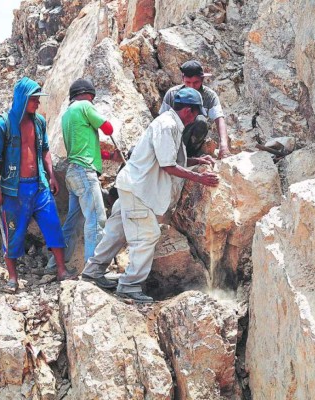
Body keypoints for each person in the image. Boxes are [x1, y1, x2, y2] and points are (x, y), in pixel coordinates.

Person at [81, 87, 220, 303]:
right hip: (139, 189)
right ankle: (129, 285)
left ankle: (93, 271)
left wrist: (196, 161)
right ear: (188, 111)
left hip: (133, 186)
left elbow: (167, 158)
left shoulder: (170, 123)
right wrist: (200, 178)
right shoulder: (167, 125)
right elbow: (167, 165)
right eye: (195, 113)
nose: (195, 118)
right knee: (146, 235)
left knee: (118, 232)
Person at [0, 76, 74, 293]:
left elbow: (44, 150)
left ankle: (62, 270)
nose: (38, 104)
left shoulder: (39, 123)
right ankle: (13, 278)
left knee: (52, 226)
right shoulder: (2, 125)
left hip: (39, 186)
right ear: (23, 99)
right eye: (34, 100)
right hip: (13, 190)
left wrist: (51, 175)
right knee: (13, 233)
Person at [45, 78, 123, 274]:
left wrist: (107, 156)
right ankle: (93, 270)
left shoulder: (67, 114)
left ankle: (54, 265)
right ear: (89, 95)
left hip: (74, 172)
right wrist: (105, 123)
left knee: (73, 222)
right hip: (85, 172)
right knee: (97, 219)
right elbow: (108, 128)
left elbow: (84, 145)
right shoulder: (85, 106)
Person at [159, 60, 231, 159]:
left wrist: (224, 144)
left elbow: (219, 119)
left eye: (196, 82)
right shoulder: (172, 94)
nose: (192, 86)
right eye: (188, 82)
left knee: (200, 121)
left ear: (202, 79)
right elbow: (161, 122)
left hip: (191, 141)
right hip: (172, 139)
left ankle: (190, 156)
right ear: (182, 78)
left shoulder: (209, 96)